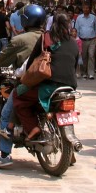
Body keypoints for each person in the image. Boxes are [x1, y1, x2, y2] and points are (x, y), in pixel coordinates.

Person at [0, 3, 48, 169]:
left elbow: (2, 58)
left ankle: (5, 155)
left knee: (6, 114)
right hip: (50, 83)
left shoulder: (20, 39)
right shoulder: (49, 37)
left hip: (28, 83)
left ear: (25, 20)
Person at [13, 12, 79, 145]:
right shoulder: (74, 43)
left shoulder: (46, 38)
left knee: (18, 96)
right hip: (70, 86)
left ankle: (33, 128)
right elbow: (75, 65)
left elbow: (31, 62)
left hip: (50, 85)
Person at [74, 2, 96, 80]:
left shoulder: (93, 18)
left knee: (91, 56)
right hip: (82, 40)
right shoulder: (79, 18)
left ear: (90, 9)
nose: (86, 9)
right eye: (84, 8)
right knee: (83, 57)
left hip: (92, 40)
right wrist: (77, 39)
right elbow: (76, 29)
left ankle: (91, 73)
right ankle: (84, 72)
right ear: (83, 9)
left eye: (87, 8)